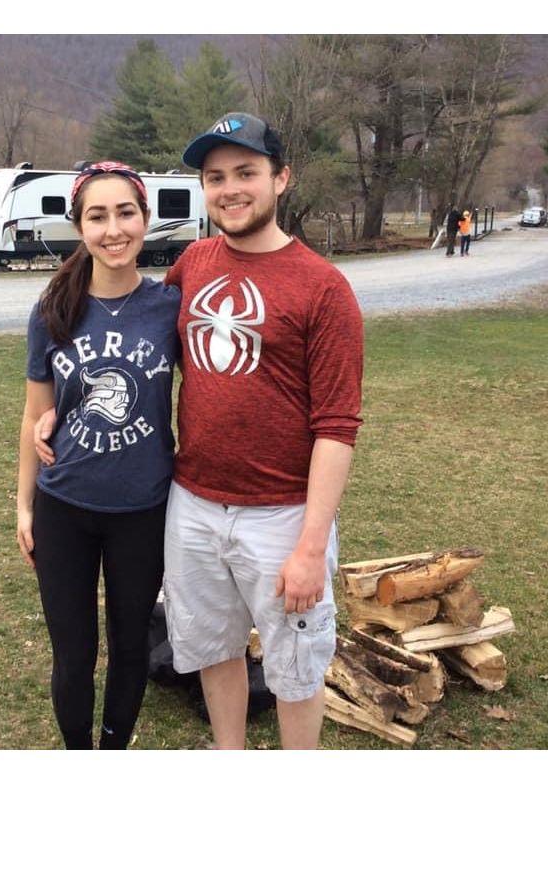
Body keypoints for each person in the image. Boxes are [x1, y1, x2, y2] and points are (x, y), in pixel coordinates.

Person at [36, 114, 364, 750]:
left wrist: (310, 545)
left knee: (295, 669)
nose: (230, 189)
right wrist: (67, 406)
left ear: (282, 178)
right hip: (190, 504)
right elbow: (135, 339)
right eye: (215, 177)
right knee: (213, 649)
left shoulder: (324, 289)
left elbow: (337, 425)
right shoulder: (195, 262)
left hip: (281, 514)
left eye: (246, 173)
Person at [16, 161, 181, 749]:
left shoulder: (169, 306)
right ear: (79, 227)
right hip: (64, 506)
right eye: (97, 216)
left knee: (131, 643)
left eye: (125, 213)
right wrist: (24, 505)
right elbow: (34, 414)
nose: (114, 229)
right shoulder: (52, 310)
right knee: (74, 650)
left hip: (143, 508)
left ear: (146, 219)